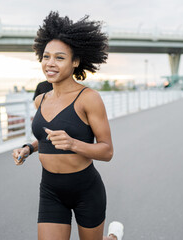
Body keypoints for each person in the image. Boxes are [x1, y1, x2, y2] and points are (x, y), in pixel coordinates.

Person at [12, 11, 124, 240]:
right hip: (51, 191)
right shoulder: (40, 99)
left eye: (60, 58)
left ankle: (112, 237)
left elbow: (107, 151)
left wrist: (73, 144)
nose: (50, 63)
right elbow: (46, 138)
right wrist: (28, 148)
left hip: (86, 190)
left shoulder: (88, 98)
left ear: (75, 61)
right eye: (46, 56)